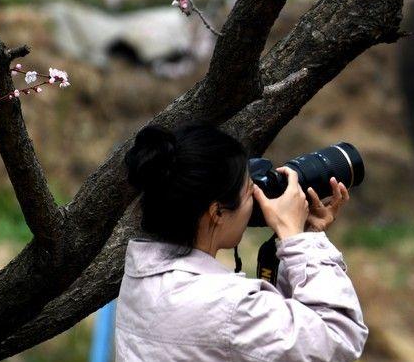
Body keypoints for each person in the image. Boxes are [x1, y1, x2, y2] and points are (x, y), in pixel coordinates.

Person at [114, 122, 368, 362]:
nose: (258, 200)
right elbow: (338, 337)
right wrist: (298, 240)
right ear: (217, 213)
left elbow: (266, 341)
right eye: (250, 191)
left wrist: (306, 232)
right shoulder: (227, 307)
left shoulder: (141, 278)